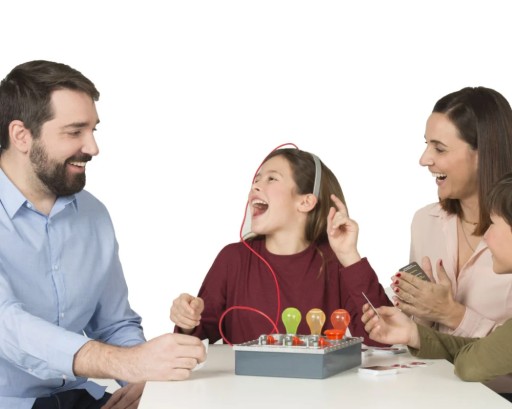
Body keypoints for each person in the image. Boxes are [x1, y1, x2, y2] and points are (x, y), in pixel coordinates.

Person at [0, 60, 205, 409]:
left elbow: (113, 323)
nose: (93, 147)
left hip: (80, 397)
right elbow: (8, 327)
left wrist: (140, 378)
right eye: (75, 132)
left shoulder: (92, 214)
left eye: (93, 130)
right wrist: (126, 362)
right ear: (21, 135)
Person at [170, 147, 391, 346]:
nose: (255, 185)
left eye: (271, 179)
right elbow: (194, 339)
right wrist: (187, 319)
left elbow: (383, 337)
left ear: (305, 202)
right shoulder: (233, 259)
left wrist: (349, 255)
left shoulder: (334, 263)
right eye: (257, 179)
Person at [362, 171, 512, 401]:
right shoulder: (424, 220)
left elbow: (472, 364)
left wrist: (450, 315)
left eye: (492, 223)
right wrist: (415, 334)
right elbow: (489, 351)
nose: (485, 236)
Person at [390, 87, 512, 337]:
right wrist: (419, 312)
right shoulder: (425, 222)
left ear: (483, 153)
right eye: (427, 144)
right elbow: (419, 335)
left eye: (440, 149)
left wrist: (452, 314)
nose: (424, 159)